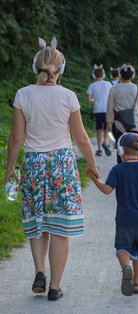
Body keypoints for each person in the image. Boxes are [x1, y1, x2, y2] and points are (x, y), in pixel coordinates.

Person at [4, 37, 99, 301]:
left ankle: (39, 271)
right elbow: (80, 138)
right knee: (60, 226)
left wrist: (10, 169)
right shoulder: (68, 96)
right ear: (61, 69)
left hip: (34, 164)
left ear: (36, 67)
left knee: (38, 221)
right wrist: (92, 164)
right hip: (62, 165)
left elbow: (16, 137)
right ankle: (55, 286)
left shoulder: (23, 95)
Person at [87, 133, 138, 296]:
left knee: (122, 247)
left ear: (120, 151)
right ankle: (137, 283)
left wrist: (94, 179)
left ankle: (126, 268)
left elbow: (106, 190)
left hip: (124, 217)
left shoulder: (118, 169)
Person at [106, 63, 138, 163]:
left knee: (121, 150)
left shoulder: (114, 89)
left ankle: (121, 171)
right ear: (133, 75)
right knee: (135, 150)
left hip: (118, 125)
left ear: (120, 75)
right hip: (135, 124)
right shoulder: (137, 88)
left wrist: (108, 122)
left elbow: (110, 108)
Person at [87, 64, 112, 156]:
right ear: (103, 75)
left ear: (94, 75)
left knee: (99, 129)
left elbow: (89, 100)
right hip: (107, 109)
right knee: (107, 128)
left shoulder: (92, 86)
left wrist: (95, 100)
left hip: (97, 109)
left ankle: (99, 149)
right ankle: (105, 143)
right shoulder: (108, 84)